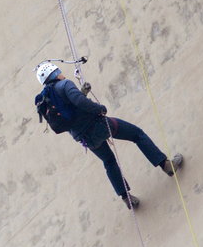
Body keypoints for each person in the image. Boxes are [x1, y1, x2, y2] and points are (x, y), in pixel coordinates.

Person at [35, 62, 183, 210]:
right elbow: (79, 101)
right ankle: (167, 165)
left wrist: (83, 92)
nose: (62, 73)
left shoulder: (48, 100)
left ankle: (127, 198)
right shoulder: (65, 84)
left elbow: (71, 112)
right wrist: (99, 108)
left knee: (109, 162)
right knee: (137, 135)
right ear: (54, 73)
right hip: (99, 126)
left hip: (86, 139)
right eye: (58, 71)